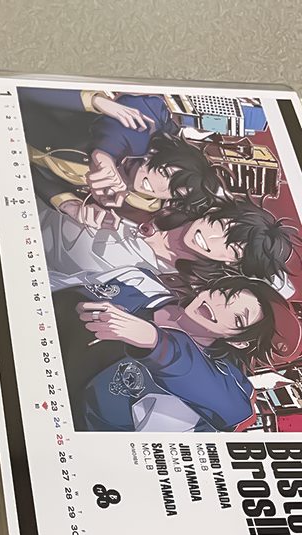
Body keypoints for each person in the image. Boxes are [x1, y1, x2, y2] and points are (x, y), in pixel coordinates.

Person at [52, 267, 302, 432]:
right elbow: (56, 286)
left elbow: (235, 409)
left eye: (237, 318)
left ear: (239, 341)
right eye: (225, 294)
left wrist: (155, 341)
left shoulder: (214, 383)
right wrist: (74, 304)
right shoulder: (140, 284)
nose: (217, 306)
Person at [17, 87, 223, 226]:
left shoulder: (126, 200)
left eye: (173, 191)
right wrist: (105, 157)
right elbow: (143, 115)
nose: (159, 185)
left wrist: (69, 205)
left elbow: (36, 177)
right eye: (167, 173)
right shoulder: (150, 127)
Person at [40, 194, 296, 296]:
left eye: (232, 248)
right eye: (222, 226)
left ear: (232, 262)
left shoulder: (161, 285)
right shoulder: (148, 199)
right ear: (214, 212)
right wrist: (70, 202)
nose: (211, 239)